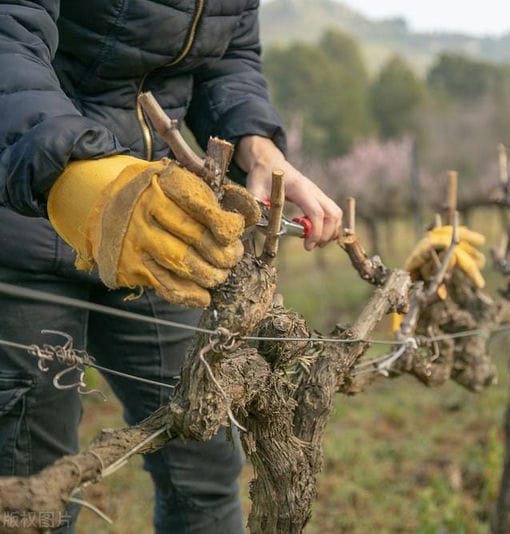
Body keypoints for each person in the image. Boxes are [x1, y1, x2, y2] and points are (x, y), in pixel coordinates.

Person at [0, 1, 342, 532]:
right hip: (28, 211)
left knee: (204, 467)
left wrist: (260, 147)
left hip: (161, 225)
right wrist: (76, 170)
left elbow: (230, 57)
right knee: (32, 497)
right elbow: (8, 30)